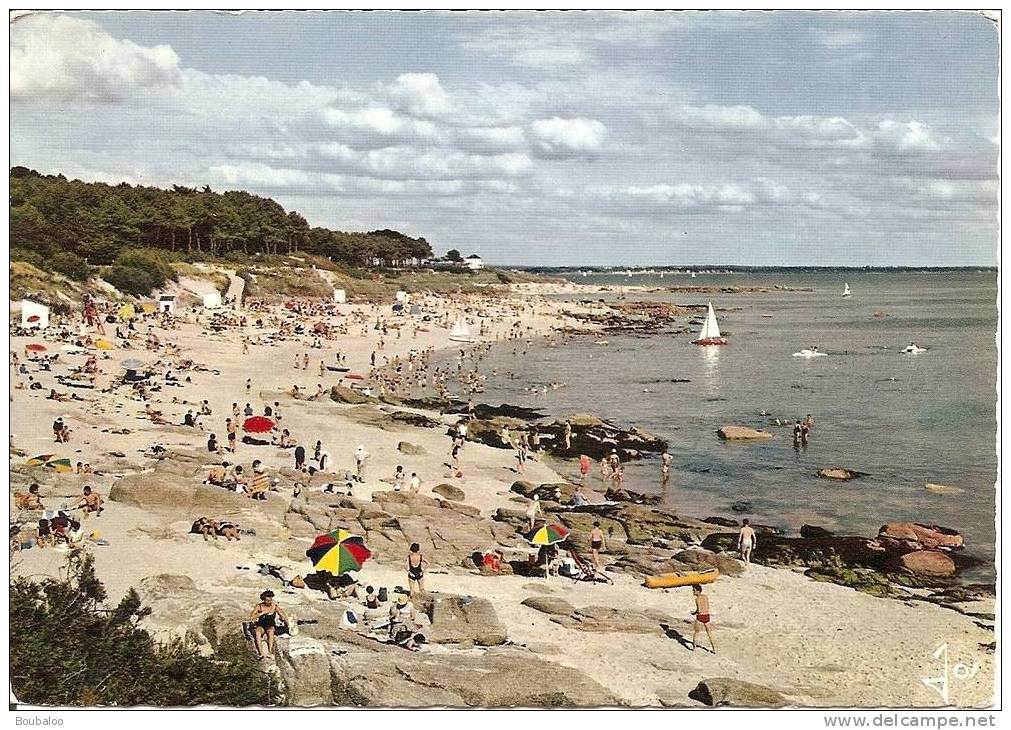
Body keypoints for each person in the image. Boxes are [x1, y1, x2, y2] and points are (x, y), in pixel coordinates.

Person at [249, 590, 288, 662]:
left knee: (271, 631)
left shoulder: (274, 606)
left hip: (270, 625)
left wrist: (284, 620)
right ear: (264, 600)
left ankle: (269, 652)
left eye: (270, 600)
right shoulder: (259, 606)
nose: (269, 602)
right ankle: (260, 653)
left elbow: (283, 615)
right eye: (267, 600)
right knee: (257, 632)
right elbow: (251, 616)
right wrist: (261, 614)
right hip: (261, 625)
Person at [691, 584, 716, 653]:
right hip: (707, 615)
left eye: (694, 590)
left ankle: (694, 648)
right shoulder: (705, 597)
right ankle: (714, 648)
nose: (693, 592)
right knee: (709, 633)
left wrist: (693, 613)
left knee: (696, 632)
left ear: (697, 591)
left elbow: (699, 610)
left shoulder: (697, 599)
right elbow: (707, 606)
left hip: (700, 616)